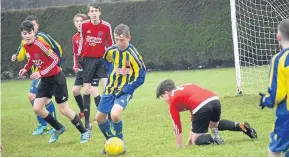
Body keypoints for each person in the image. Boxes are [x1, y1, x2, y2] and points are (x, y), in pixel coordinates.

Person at [18, 20, 90, 144]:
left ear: (34, 32)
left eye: (30, 32)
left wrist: (40, 72)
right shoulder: (25, 45)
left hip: (56, 79)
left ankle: (84, 132)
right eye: (25, 33)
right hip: (45, 80)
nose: (28, 35)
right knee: (37, 108)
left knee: (64, 109)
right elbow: (32, 59)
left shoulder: (40, 44)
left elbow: (55, 59)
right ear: (22, 35)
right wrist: (25, 68)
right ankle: (59, 128)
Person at [156, 79, 257, 147]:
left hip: (201, 105)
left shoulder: (172, 100)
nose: (164, 100)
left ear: (166, 93)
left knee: (197, 141)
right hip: (214, 100)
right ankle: (240, 126)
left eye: (162, 97)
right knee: (213, 124)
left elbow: (177, 126)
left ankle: (213, 138)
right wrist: (189, 139)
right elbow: (194, 117)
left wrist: (179, 146)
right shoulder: (187, 86)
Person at [94, 24, 146, 154]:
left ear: (129, 38)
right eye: (116, 39)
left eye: (122, 40)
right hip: (110, 90)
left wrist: (126, 89)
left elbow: (141, 77)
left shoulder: (133, 55)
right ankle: (110, 141)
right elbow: (105, 62)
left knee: (115, 114)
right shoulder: (111, 51)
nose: (119, 42)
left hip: (124, 91)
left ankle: (120, 141)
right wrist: (111, 72)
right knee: (99, 118)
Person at [11, 15, 62, 136]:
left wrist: (57, 64)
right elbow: (26, 55)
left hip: (46, 72)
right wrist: (20, 63)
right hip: (37, 72)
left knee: (32, 96)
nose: (29, 32)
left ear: (36, 27)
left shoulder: (42, 39)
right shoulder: (25, 42)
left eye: (32, 28)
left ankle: (48, 125)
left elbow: (57, 49)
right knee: (44, 99)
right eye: (26, 31)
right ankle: (48, 125)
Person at [77, 3, 114, 129]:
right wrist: (79, 56)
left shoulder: (106, 26)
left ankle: (110, 117)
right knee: (86, 90)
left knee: (106, 87)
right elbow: (82, 40)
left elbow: (111, 44)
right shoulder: (84, 25)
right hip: (87, 61)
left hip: (101, 60)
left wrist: (112, 59)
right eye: (91, 11)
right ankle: (87, 122)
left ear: (100, 12)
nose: (93, 13)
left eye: (96, 11)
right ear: (88, 13)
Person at [259, 18, 289, 157]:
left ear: (279, 36)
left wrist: (266, 100)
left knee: (274, 149)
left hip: (287, 114)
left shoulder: (280, 59)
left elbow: (277, 93)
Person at [72, 13, 101, 120]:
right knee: (75, 90)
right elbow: (75, 53)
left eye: (81, 21)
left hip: (93, 66)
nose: (79, 23)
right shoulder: (75, 38)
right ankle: (83, 111)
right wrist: (75, 64)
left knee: (93, 89)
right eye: (77, 21)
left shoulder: (91, 34)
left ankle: (103, 114)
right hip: (82, 68)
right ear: (74, 24)